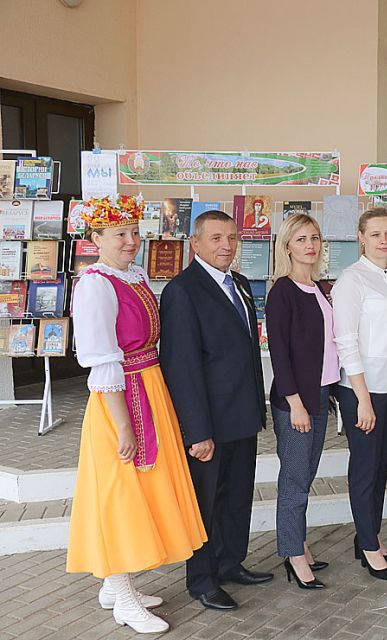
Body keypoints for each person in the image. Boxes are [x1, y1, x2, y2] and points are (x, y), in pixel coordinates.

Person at [67, 195, 206, 634]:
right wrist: (123, 424)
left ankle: (115, 586)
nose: (130, 241)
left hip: (149, 386)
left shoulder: (134, 275)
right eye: (119, 234)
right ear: (96, 239)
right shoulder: (95, 285)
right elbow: (101, 358)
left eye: (133, 232)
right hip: (121, 398)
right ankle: (124, 599)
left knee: (142, 489)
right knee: (122, 494)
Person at [159, 210, 271, 611]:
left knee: (237, 499)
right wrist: (197, 431)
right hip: (209, 423)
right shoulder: (182, 291)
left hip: (242, 415)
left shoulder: (239, 283)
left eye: (232, 237)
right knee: (205, 505)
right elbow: (181, 367)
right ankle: (202, 580)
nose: (226, 245)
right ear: (195, 243)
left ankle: (229, 562)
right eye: (216, 238)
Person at [332, 208, 387, 581]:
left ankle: (369, 535)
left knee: (381, 467)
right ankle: (368, 546)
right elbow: (346, 342)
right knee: (365, 469)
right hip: (365, 390)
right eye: (375, 234)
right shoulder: (351, 281)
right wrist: (363, 399)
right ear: (361, 237)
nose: (383, 240)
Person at [266, 213, 340, 590]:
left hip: (320, 394)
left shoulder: (321, 288)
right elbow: (279, 353)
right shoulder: (283, 291)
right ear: (287, 247)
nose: (310, 245)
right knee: (294, 480)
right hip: (295, 400)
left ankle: (299, 543)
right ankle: (293, 555)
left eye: (314, 238)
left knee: (306, 476)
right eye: (301, 239)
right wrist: (294, 402)